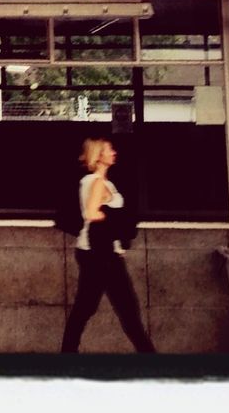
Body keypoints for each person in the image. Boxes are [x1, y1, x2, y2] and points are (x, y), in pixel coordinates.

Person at [60, 136, 156, 354]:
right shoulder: (95, 183)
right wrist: (117, 219)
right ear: (99, 156)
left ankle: (67, 354)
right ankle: (150, 357)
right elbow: (92, 213)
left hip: (101, 252)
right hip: (97, 254)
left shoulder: (106, 183)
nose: (114, 152)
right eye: (109, 149)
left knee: (91, 307)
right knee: (122, 307)